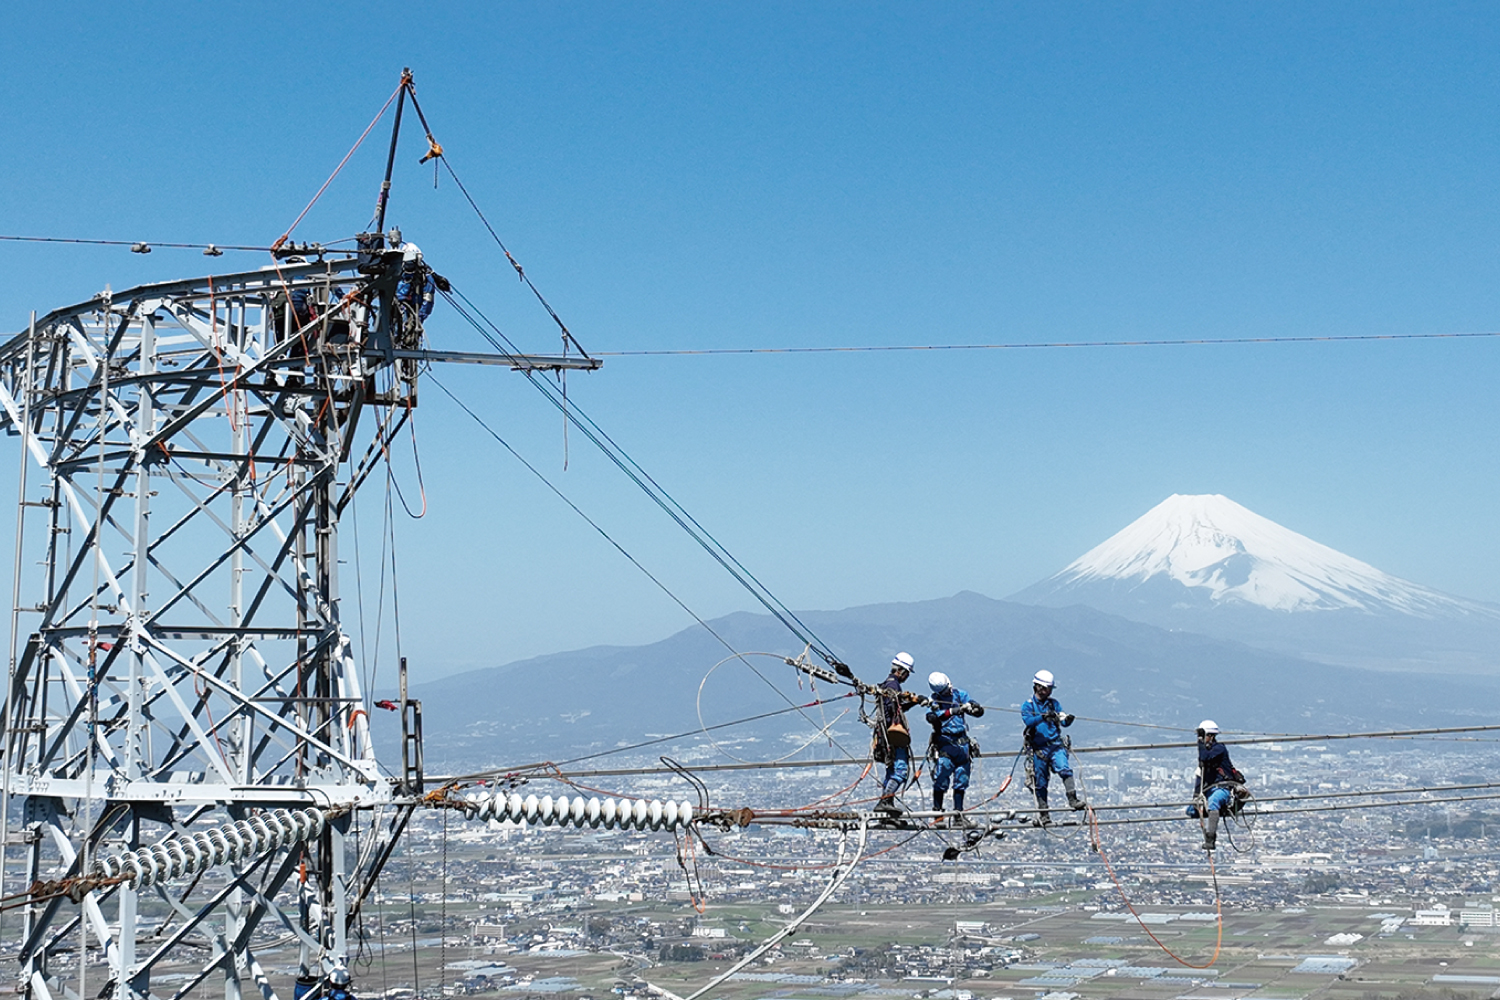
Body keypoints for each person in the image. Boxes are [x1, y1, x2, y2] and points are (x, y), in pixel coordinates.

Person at [1020, 669, 1083, 825]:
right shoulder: (1028, 706)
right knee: (1040, 782)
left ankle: (1073, 799)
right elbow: (1028, 721)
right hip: (1039, 749)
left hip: (1055, 745)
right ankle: (1044, 813)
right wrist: (1042, 717)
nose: (1048, 691)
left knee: (1064, 769)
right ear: (1038, 687)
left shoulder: (1054, 704)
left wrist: (1067, 720)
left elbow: (1062, 721)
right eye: (1046, 688)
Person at [925, 671, 984, 826]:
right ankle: (938, 813)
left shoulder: (960, 695)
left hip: (961, 743)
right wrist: (955, 711)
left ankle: (958, 814)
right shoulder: (934, 701)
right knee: (941, 777)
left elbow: (976, 709)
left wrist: (974, 708)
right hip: (945, 742)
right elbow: (933, 717)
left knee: (961, 779)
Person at [1186, 719, 1247, 850]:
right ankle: (1217, 813)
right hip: (1209, 789)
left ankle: (1211, 837)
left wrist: (1199, 742)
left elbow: (1204, 757)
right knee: (1191, 811)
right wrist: (1196, 797)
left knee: (1214, 801)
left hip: (1222, 787)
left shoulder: (1219, 749)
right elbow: (1199, 777)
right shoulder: (1207, 754)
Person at [874, 652, 920, 814]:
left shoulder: (887, 684)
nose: (906, 677)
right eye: (906, 673)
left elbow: (895, 708)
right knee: (900, 770)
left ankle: (887, 804)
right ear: (901, 671)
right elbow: (893, 710)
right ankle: (886, 800)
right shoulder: (893, 686)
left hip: (885, 735)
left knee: (892, 770)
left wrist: (912, 703)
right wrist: (910, 701)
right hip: (892, 735)